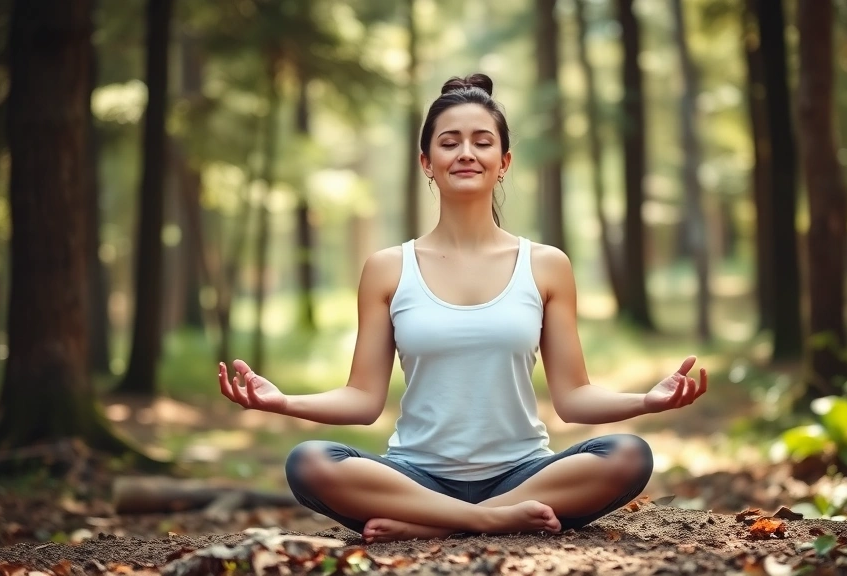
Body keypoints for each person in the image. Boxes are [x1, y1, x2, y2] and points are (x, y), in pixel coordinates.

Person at [218, 73, 708, 544]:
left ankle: (439, 523)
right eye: (449, 142)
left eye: (482, 141)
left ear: (505, 160)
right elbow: (363, 400)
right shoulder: (388, 268)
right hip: (414, 475)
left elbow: (574, 397)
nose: (466, 153)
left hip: (524, 473)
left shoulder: (546, 265)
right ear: (426, 162)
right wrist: (284, 403)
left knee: (626, 455)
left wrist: (647, 400)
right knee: (309, 463)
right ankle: (487, 519)